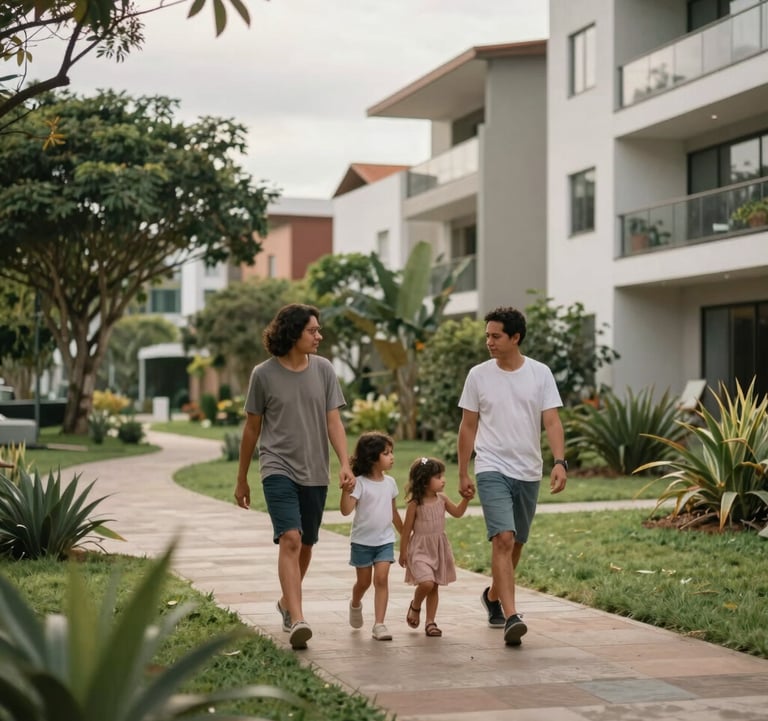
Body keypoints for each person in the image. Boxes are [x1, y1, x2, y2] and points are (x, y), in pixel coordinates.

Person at [234, 303, 355, 650]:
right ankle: (298, 618)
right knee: (289, 538)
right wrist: (242, 478)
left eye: (318, 330)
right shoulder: (263, 374)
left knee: (305, 543)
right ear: (293, 333)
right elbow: (252, 428)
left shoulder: (324, 370)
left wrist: (345, 462)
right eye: (312, 330)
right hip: (277, 466)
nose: (319, 336)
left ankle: (287, 602)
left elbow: (334, 421)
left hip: (315, 469)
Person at [457, 306, 567, 647]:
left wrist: (560, 461)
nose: (488, 341)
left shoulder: (540, 373)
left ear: (515, 337)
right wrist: (462, 470)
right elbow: (468, 425)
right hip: (491, 466)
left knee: (516, 543)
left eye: (496, 336)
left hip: (528, 470)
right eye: (487, 335)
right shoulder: (478, 375)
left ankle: (492, 596)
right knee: (503, 539)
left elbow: (551, 421)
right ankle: (512, 615)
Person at [340, 431, 403, 641]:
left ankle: (379, 624)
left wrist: (406, 536)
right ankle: (355, 603)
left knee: (382, 579)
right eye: (386, 453)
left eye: (391, 452)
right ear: (372, 457)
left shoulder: (391, 483)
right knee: (364, 583)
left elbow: (393, 513)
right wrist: (345, 491)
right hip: (362, 543)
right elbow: (346, 510)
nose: (392, 456)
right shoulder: (359, 483)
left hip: (385, 541)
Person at [399, 456, 472, 638]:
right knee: (426, 583)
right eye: (438, 477)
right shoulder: (415, 504)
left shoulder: (442, 499)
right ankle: (415, 605)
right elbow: (406, 530)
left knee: (434, 586)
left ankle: (430, 622)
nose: (443, 480)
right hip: (420, 550)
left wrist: (466, 500)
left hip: (438, 548)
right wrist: (403, 552)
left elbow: (457, 513)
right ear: (424, 480)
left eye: (443, 476)